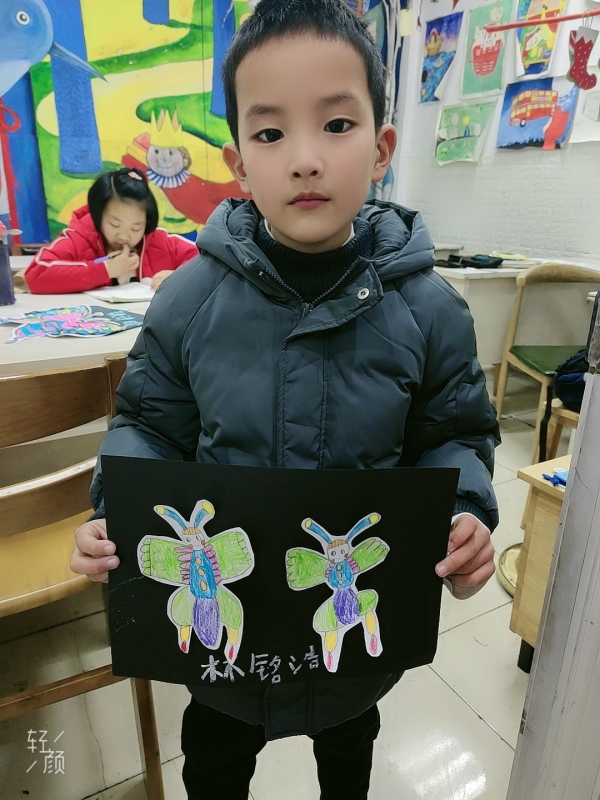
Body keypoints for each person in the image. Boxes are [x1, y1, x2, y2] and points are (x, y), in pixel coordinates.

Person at [70, 1, 500, 798]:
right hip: (224, 650)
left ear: (381, 148)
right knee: (215, 767)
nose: (305, 159)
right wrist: (115, 513)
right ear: (238, 164)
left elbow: (455, 434)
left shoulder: (430, 309)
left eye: (336, 125)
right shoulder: (189, 301)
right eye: (270, 134)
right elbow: (147, 426)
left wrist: (465, 511)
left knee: (348, 759)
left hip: (349, 650)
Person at [24, 167, 198, 294]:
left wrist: (178, 277)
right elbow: (36, 274)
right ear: (98, 215)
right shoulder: (80, 238)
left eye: (136, 227)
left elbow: (206, 260)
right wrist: (106, 269)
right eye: (114, 224)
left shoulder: (159, 241)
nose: (124, 236)